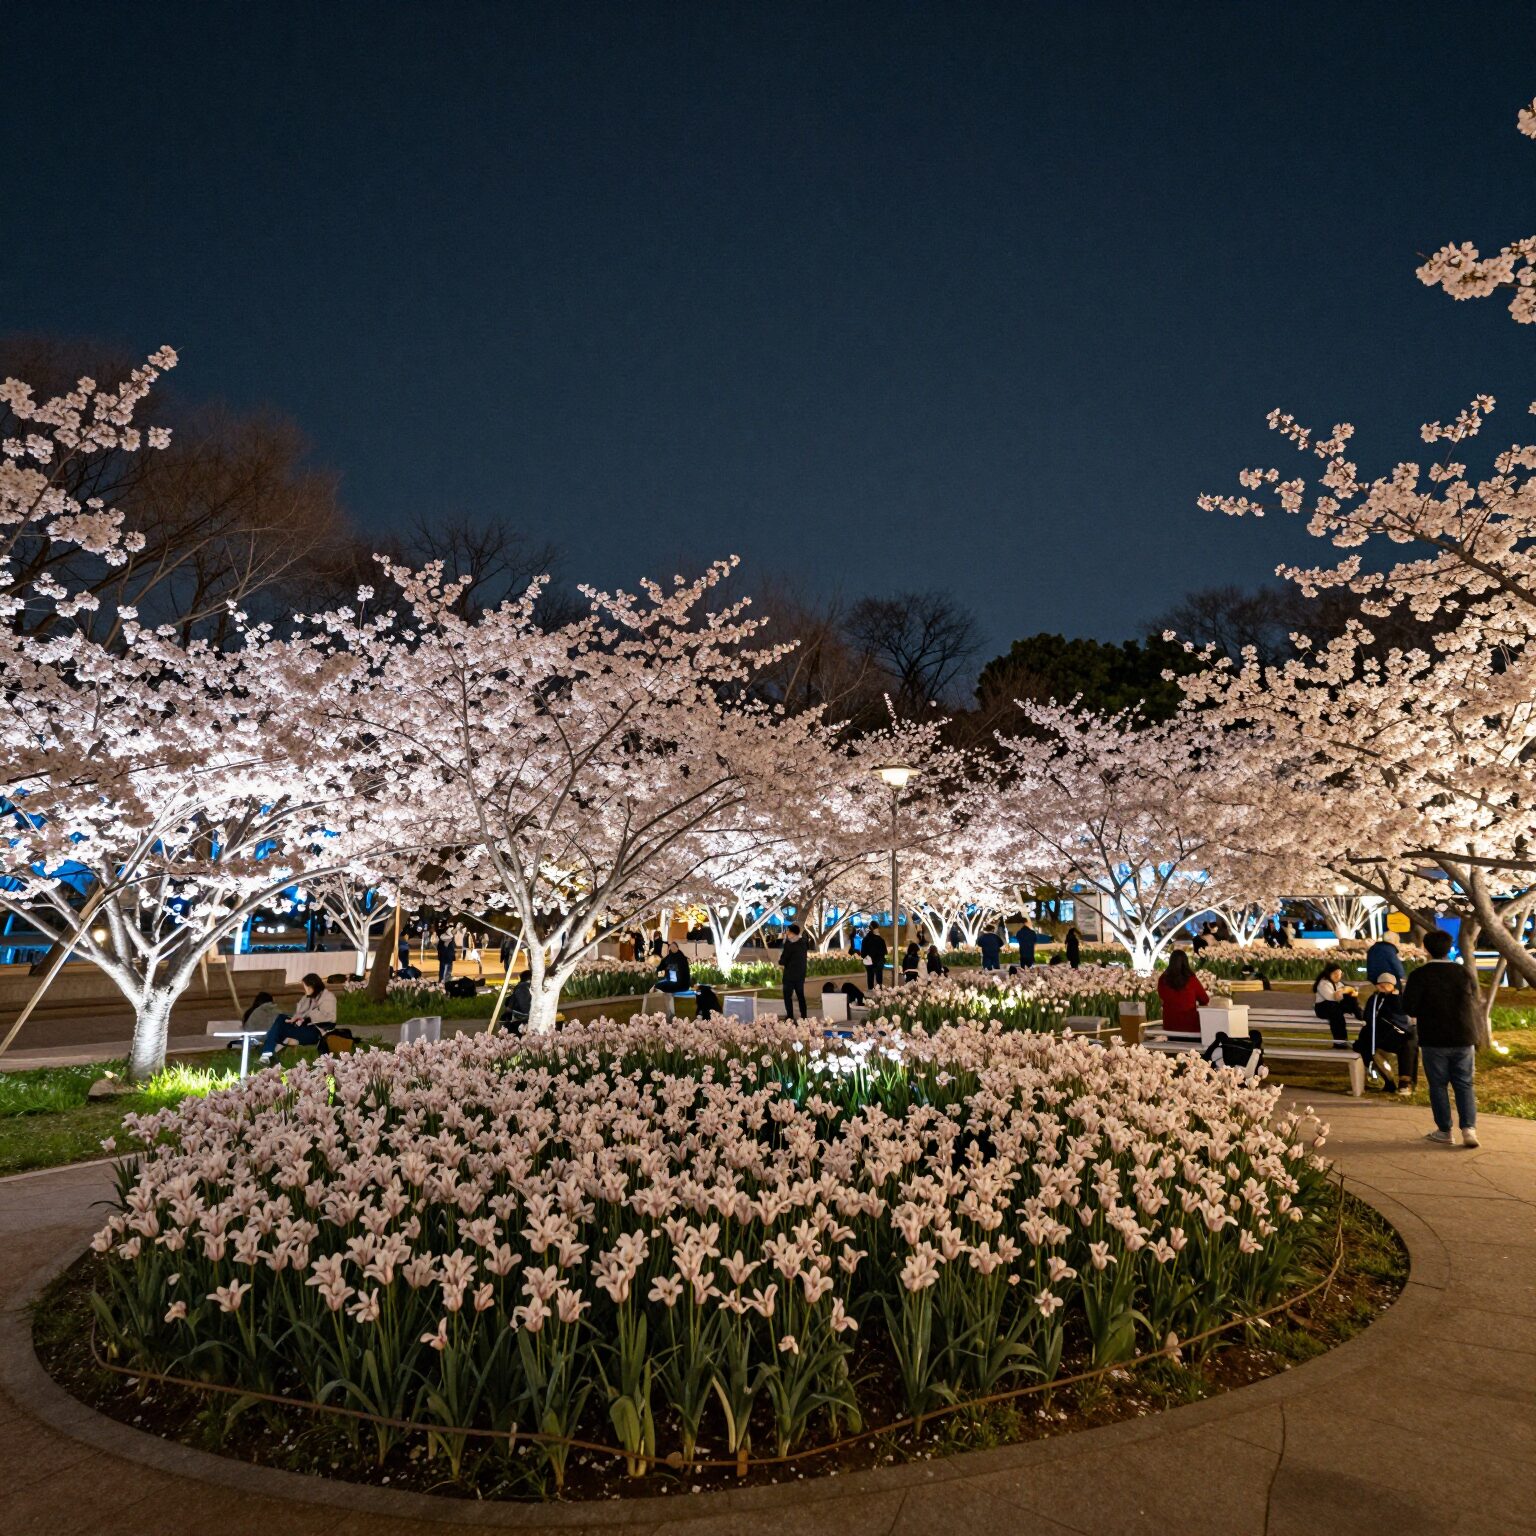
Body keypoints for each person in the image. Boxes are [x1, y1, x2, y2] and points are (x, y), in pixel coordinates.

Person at [1401, 930, 1480, 1146]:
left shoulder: (1420, 975)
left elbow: (1409, 1007)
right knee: (1464, 1084)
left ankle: (1445, 1131)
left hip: (1434, 1037)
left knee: (1438, 1085)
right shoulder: (1463, 973)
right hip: (1464, 1035)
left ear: (1426, 948)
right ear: (1449, 948)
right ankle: (1469, 1130)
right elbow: (1474, 999)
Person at [1359, 974, 1418, 1096]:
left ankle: (1405, 1081)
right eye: (1382, 985)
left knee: (1409, 1043)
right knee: (1408, 1042)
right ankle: (1387, 1081)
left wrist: (1393, 996)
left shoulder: (1399, 998)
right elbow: (1368, 1017)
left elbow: (1401, 1012)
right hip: (1377, 1035)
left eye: (1388, 985)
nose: (1384, 987)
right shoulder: (1374, 999)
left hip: (1396, 1034)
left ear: (1393, 986)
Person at [257, 973, 337, 1062]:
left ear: (311, 986)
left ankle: (268, 1054)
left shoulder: (328, 998)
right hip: (301, 1027)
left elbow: (329, 1018)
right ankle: (268, 1054)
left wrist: (308, 1015)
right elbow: (299, 1013)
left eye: (305, 986)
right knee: (281, 1019)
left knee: (278, 1030)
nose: (304, 989)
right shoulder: (307, 998)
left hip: (315, 1032)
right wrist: (295, 1018)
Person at [1157, 950, 1209, 1036]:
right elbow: (1205, 999)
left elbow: (1162, 996)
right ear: (1186, 962)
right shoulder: (1191, 979)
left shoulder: (1163, 980)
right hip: (1190, 1026)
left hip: (1170, 1026)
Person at [1312, 963, 1363, 1047]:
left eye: (1339, 974)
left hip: (1334, 1008)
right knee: (1336, 1013)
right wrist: (1344, 991)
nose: (1337, 976)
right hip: (1323, 1008)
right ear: (1329, 974)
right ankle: (1340, 1042)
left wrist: (1350, 991)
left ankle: (1358, 1012)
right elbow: (1331, 997)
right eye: (1335, 974)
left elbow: (1346, 995)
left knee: (1349, 998)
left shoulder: (1339, 984)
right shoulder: (1323, 983)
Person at [780, 922, 810, 1018]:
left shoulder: (790, 945)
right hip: (800, 975)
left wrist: (781, 961)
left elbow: (784, 960)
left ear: (792, 933)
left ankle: (790, 1016)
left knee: (787, 997)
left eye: (788, 931)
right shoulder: (803, 943)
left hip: (790, 976)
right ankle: (804, 1016)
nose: (787, 933)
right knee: (800, 996)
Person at [862, 925, 888, 989]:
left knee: (870, 979)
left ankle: (870, 993)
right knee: (879, 980)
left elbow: (863, 954)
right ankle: (880, 995)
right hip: (879, 961)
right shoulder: (880, 939)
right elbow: (885, 951)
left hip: (869, 962)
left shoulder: (865, 940)